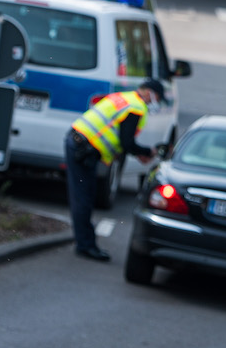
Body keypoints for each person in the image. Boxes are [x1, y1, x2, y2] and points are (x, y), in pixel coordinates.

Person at [66, 79, 166, 261]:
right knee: (84, 197)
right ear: (149, 92)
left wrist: (133, 153)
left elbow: (117, 137)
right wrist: (146, 152)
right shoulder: (136, 107)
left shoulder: (124, 97)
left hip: (79, 143)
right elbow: (127, 142)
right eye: (156, 96)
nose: (154, 101)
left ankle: (85, 242)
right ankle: (85, 245)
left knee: (84, 195)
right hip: (83, 148)